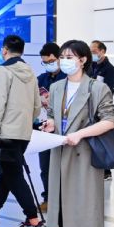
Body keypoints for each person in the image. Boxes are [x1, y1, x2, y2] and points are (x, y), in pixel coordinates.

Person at [39, 40, 114, 227]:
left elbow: (110, 120)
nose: (64, 61)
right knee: (62, 206)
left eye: (69, 57)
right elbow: (53, 115)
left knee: (84, 208)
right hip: (60, 151)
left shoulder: (97, 88)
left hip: (85, 155)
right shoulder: (57, 87)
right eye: (62, 57)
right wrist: (50, 124)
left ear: (83, 60)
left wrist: (80, 134)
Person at [0, 35, 46, 227]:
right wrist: (23, 123)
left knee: (14, 176)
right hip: (23, 133)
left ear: (4, 50)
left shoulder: (3, 71)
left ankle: (34, 220)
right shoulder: (30, 71)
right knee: (7, 172)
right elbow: (37, 106)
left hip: (5, 133)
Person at [36, 42, 65, 211]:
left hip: (64, 128)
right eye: (45, 62)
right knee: (45, 166)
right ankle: (48, 197)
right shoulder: (41, 79)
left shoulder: (68, 78)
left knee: (63, 166)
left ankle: (64, 199)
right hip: (45, 127)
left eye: (51, 61)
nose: (48, 65)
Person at [90, 40, 114, 181]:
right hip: (89, 107)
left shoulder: (111, 70)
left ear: (102, 51)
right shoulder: (90, 66)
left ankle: (106, 171)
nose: (92, 54)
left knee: (103, 140)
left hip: (102, 109)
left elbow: (107, 92)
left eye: (94, 51)